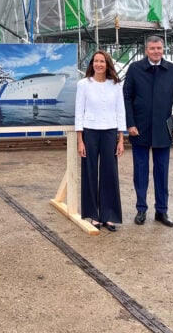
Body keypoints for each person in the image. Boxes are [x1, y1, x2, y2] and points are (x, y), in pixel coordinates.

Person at [123, 35, 173, 227]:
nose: (156, 51)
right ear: (146, 50)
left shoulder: (172, 70)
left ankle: (162, 211)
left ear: (163, 49)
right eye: (152, 48)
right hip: (139, 128)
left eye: (159, 48)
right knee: (140, 171)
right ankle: (141, 209)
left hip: (163, 128)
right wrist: (130, 123)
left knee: (161, 171)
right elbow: (126, 97)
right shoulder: (135, 69)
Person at [75, 50, 125, 231]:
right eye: (95, 61)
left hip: (110, 132)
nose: (98, 64)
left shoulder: (116, 85)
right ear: (91, 64)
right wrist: (80, 140)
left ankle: (109, 215)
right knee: (90, 173)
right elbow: (79, 112)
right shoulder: (83, 84)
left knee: (110, 173)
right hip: (90, 131)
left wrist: (121, 139)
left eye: (102, 61)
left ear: (107, 64)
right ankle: (92, 214)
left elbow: (120, 112)